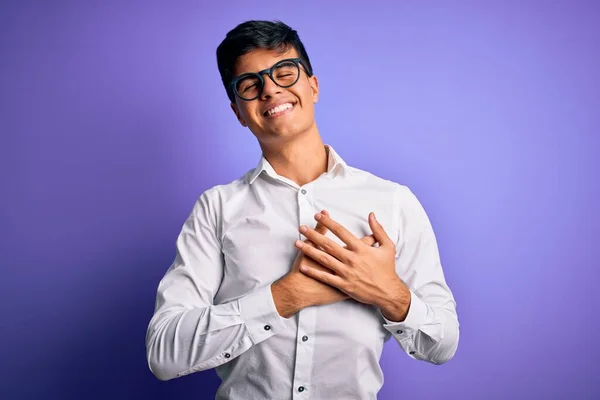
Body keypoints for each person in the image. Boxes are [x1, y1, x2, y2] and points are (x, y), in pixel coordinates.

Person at [146, 20, 459, 400]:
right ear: (238, 112)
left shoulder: (393, 202)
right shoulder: (217, 208)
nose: (270, 89)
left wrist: (389, 294)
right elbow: (164, 353)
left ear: (313, 85)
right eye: (250, 84)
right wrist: (283, 297)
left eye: (284, 72)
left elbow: (443, 343)